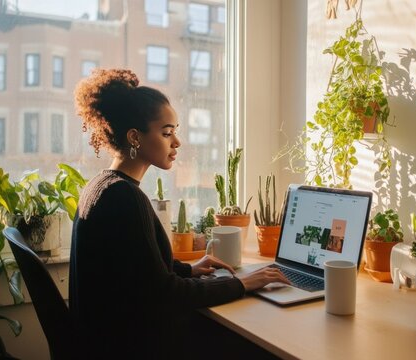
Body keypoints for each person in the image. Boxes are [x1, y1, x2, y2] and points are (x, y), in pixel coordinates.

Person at [70, 69, 289, 358]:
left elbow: (135, 272)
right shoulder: (124, 197)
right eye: (167, 133)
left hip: (113, 339)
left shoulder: (102, 185)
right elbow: (164, 295)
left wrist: (188, 268)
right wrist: (241, 284)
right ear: (135, 137)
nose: (177, 142)